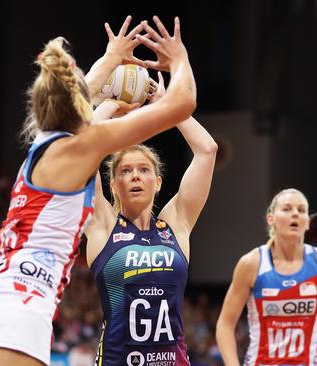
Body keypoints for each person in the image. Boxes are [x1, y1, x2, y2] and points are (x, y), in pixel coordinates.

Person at [0, 15, 197, 366]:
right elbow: (182, 103)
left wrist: (113, 63)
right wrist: (179, 60)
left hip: (4, 297)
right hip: (18, 303)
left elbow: (82, 98)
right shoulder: (79, 146)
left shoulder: (49, 139)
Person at [84, 67, 217, 365]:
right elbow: (81, 147)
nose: (135, 177)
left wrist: (170, 107)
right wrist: (112, 104)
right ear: (114, 186)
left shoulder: (175, 224)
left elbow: (207, 150)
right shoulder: (102, 226)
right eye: (125, 172)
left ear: (157, 183)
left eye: (144, 170)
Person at [215, 189, 317, 366]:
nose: (295, 213)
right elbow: (225, 324)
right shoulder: (251, 264)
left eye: (301, 210)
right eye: (287, 209)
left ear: (307, 222)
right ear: (271, 219)